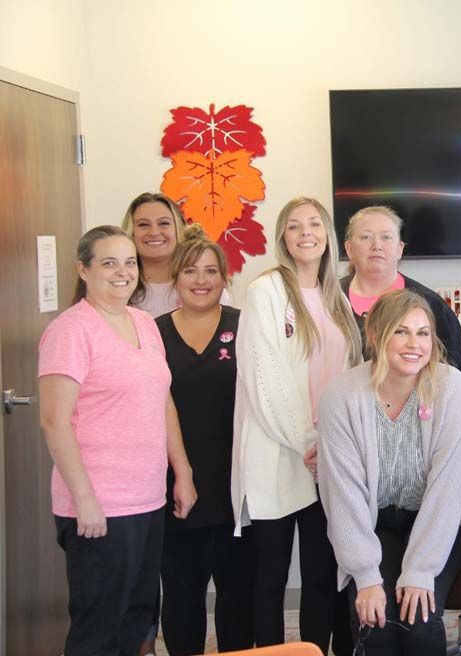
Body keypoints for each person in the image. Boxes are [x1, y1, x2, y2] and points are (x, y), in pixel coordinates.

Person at [38, 225, 196, 655]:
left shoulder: (144, 323)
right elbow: (54, 421)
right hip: (99, 507)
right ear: (83, 270)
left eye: (129, 262)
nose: (123, 272)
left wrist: (181, 471)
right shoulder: (72, 331)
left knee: (138, 619)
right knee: (98, 630)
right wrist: (85, 499)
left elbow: (161, 400)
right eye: (109, 262)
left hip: (147, 501)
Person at [317, 289, 461, 654]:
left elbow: (448, 490)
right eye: (401, 331)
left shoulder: (450, 387)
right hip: (372, 524)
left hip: (440, 525)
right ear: (376, 335)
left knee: (419, 618)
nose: (415, 344)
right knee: (375, 621)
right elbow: (342, 495)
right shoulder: (342, 395)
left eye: (423, 332)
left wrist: (421, 570)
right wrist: (365, 576)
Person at [231, 197, 362, 654]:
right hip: (281, 453)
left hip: (328, 458)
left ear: (327, 234)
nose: (305, 233)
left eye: (314, 224)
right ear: (282, 238)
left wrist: (334, 446)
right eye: (293, 226)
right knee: (269, 577)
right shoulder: (267, 291)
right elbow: (266, 379)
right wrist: (310, 443)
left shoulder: (336, 297)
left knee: (323, 574)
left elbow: (352, 376)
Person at [155, 224, 254, 655]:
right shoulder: (152, 333)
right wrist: (180, 473)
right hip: (176, 484)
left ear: (225, 278)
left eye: (211, 271)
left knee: (237, 598)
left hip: (236, 484)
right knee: (181, 599)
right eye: (191, 271)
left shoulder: (246, 326)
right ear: (176, 278)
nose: (201, 280)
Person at [339, 205, 461, 401]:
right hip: (345, 413)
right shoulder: (329, 299)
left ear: (400, 249)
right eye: (366, 237)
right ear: (349, 249)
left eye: (386, 237)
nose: (377, 245)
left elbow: (456, 375)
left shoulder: (429, 304)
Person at [122, 191, 231, 317]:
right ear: (132, 232)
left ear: (178, 229)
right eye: (143, 225)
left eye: (164, 223)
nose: (154, 232)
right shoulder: (117, 285)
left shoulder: (204, 287)